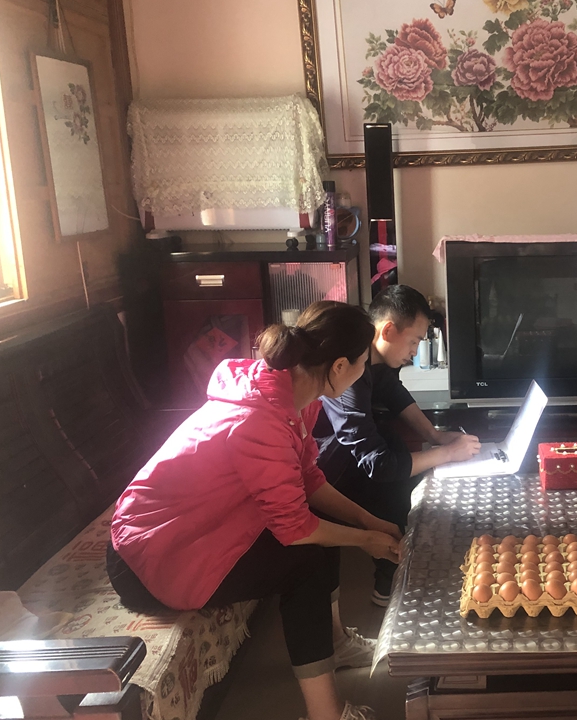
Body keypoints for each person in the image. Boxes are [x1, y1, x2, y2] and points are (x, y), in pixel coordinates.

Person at [108, 301, 400, 720]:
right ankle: (326, 714)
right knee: (305, 563)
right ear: (339, 366)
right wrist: (367, 540)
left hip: (190, 527)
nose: (364, 372)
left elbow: (308, 479)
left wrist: (365, 521)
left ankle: (334, 644)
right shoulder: (260, 418)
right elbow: (296, 529)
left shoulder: (294, 391)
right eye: (362, 363)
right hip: (151, 554)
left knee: (327, 531)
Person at [315, 285, 481, 606]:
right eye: (414, 341)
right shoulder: (350, 369)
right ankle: (390, 579)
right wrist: (446, 454)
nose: (416, 352)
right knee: (396, 469)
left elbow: (394, 392)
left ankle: (399, 567)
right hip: (329, 469)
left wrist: (435, 436)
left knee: (401, 453)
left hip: (352, 456)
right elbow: (378, 464)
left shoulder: (373, 357)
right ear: (388, 330)